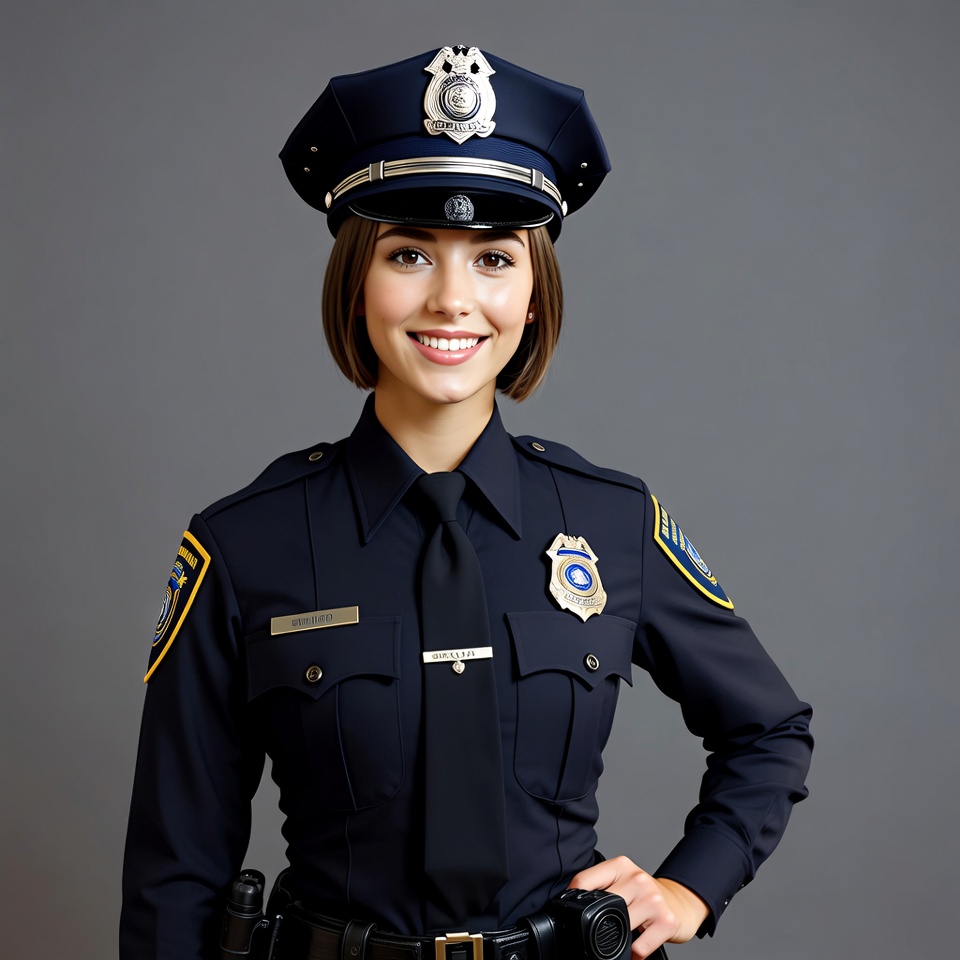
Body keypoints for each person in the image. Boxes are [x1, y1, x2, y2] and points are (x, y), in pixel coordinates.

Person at [120, 45, 813, 960]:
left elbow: (770, 730)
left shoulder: (612, 522)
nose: (453, 300)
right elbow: (176, 873)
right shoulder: (244, 545)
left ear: (533, 299)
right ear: (356, 285)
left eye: (494, 259)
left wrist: (692, 885)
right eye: (409, 253)